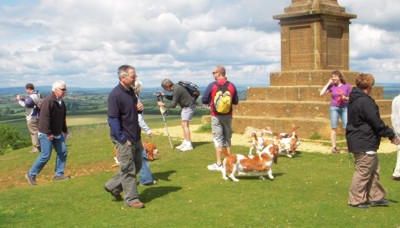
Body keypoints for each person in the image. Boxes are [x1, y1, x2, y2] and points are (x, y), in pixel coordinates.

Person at [346, 73, 399, 209]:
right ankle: (356, 200)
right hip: (364, 140)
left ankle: (376, 197)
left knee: (374, 169)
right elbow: (376, 122)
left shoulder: (356, 98)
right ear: (369, 86)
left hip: (362, 139)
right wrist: (391, 134)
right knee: (363, 171)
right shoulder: (364, 101)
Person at [104, 65, 145, 209]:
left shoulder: (130, 92)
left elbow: (130, 113)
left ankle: (112, 186)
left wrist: (139, 109)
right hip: (124, 138)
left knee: (138, 164)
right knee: (128, 169)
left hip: (135, 136)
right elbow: (113, 119)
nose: (136, 78)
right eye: (133, 76)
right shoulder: (115, 95)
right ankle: (131, 199)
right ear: (123, 78)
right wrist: (122, 138)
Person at [25, 80, 70, 186]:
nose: (64, 91)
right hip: (46, 133)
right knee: (45, 155)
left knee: (63, 152)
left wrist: (65, 131)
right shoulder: (48, 101)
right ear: (55, 90)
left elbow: (62, 118)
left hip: (57, 133)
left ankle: (59, 175)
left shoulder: (61, 102)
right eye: (62, 89)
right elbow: (45, 118)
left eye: (65, 89)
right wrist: (49, 133)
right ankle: (31, 175)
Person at [202, 66, 239, 171]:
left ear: (218, 73)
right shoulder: (232, 85)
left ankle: (218, 163)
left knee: (218, 138)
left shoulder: (212, 85)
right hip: (228, 115)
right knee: (227, 138)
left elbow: (204, 99)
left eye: (213, 72)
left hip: (216, 115)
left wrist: (211, 102)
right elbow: (235, 101)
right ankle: (229, 162)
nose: (213, 74)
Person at [157, 78, 196, 152]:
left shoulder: (176, 89)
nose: (166, 90)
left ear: (167, 86)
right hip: (187, 106)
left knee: (185, 125)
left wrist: (163, 104)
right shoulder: (176, 87)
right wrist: (165, 96)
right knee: (184, 125)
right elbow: (175, 98)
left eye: (165, 89)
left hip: (188, 106)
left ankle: (188, 144)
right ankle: (185, 142)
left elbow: (173, 104)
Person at [320, 70, 352, 153]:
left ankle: (350, 146)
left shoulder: (347, 86)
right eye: (332, 76)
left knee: (347, 128)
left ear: (340, 77)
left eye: (335, 76)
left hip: (345, 108)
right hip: (334, 108)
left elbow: (352, 97)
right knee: (334, 128)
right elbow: (321, 93)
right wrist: (328, 83)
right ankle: (334, 147)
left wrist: (346, 98)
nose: (333, 78)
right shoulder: (332, 86)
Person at [133, 80, 157, 186]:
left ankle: (124, 182)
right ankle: (146, 180)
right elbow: (139, 118)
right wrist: (148, 130)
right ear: (137, 87)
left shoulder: (131, 96)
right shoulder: (135, 98)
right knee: (142, 156)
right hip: (134, 132)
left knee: (134, 157)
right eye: (140, 86)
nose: (141, 87)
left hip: (130, 131)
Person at [16, 83, 41, 153]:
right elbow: (30, 102)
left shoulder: (32, 96)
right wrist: (23, 99)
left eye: (26, 89)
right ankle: (38, 146)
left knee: (34, 132)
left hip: (32, 116)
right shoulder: (37, 94)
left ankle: (37, 147)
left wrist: (18, 100)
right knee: (37, 131)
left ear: (28, 88)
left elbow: (26, 104)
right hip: (37, 116)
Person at [391, 94, 400, 181]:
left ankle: (397, 173)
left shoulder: (396, 99)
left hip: (398, 128)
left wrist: (395, 129)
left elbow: (393, 117)